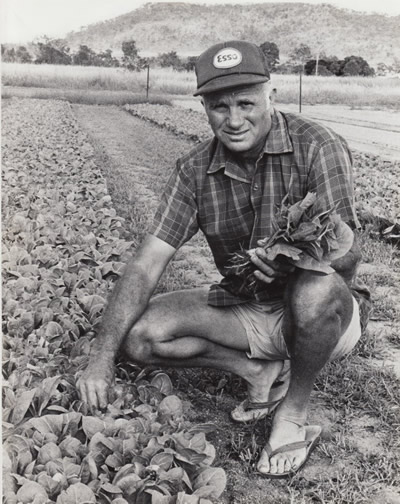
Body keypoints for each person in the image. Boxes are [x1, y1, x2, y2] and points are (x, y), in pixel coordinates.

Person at [77, 40, 370, 477]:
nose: (234, 120)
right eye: (219, 107)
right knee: (139, 338)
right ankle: (256, 372)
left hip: (324, 314)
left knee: (316, 286)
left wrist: (296, 264)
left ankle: (292, 412)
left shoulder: (317, 146)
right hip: (249, 306)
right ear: (205, 107)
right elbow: (146, 264)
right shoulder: (194, 169)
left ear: (270, 93)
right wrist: (101, 355)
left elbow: (348, 255)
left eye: (246, 102)